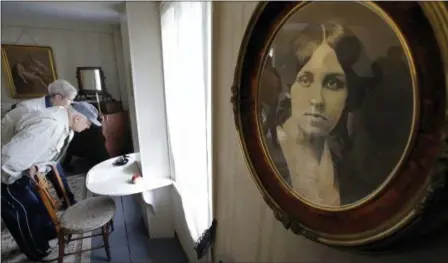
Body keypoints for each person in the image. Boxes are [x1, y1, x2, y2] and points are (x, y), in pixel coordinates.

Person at [274, 22, 382, 206]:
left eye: (333, 83)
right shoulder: (271, 155)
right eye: (306, 79)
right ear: (291, 86)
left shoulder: (341, 163)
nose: (317, 99)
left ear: (348, 94)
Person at [1, 102, 101, 261]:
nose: (88, 127)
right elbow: (10, 158)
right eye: (87, 122)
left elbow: (33, 149)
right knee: (22, 211)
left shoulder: (64, 124)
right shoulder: (51, 126)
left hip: (19, 169)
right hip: (6, 174)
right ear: (77, 118)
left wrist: (33, 168)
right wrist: (15, 180)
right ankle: (38, 252)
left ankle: (47, 234)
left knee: (37, 205)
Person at [2, 79, 79, 206]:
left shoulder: (59, 110)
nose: (72, 104)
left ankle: (68, 201)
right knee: (32, 186)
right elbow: (15, 135)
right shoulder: (27, 107)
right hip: (18, 151)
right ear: (59, 97)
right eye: (70, 100)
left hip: (44, 150)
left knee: (57, 173)